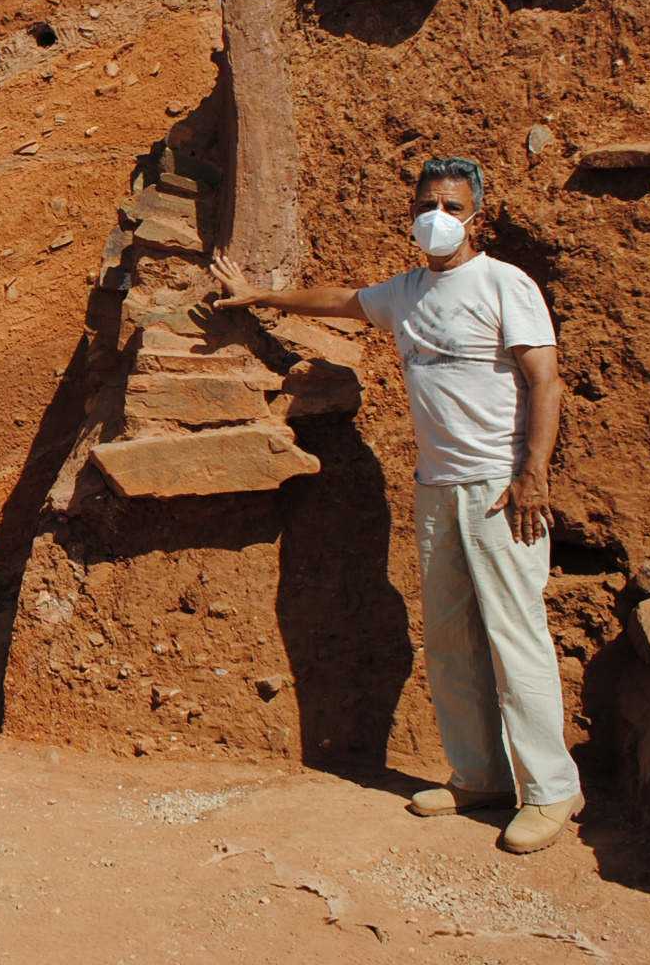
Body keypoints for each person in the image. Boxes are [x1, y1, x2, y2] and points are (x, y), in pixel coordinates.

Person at [211, 156, 581, 855]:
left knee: (515, 638)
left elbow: (546, 381)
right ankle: (479, 775)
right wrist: (260, 295)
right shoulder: (407, 292)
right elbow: (343, 300)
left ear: (476, 216)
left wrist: (533, 472)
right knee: (450, 639)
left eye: (451, 205)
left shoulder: (505, 284)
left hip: (500, 488)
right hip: (437, 488)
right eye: (426, 205)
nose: (436, 217)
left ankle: (552, 788)